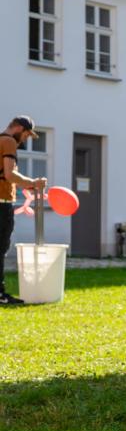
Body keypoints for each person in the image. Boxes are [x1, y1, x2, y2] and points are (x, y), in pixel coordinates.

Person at [1, 116, 47, 305]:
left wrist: (24, 186)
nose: (26, 139)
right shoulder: (9, 141)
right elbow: (10, 174)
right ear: (19, 127)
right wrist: (33, 183)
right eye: (27, 134)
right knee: (0, 248)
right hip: (1, 204)